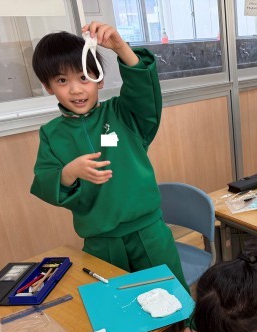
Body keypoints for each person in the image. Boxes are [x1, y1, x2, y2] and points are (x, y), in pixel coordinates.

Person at [30, 22, 188, 292]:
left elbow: (144, 92)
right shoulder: (52, 134)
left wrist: (120, 47)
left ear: (100, 79)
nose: (76, 90)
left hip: (148, 233)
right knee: (115, 305)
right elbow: (45, 181)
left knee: (173, 300)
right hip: (100, 241)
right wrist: (69, 172)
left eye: (84, 77)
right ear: (48, 87)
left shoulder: (123, 114)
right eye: (62, 81)